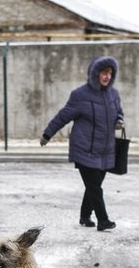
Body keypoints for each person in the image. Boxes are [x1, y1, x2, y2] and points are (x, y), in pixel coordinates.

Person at [40, 55, 124, 231]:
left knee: (94, 187)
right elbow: (63, 116)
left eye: (110, 73)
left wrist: (119, 120)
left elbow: (119, 112)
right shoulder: (80, 95)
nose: (107, 76)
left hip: (105, 150)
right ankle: (103, 220)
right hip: (84, 149)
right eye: (103, 72)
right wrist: (48, 134)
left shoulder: (113, 94)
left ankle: (85, 216)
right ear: (95, 74)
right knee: (95, 187)